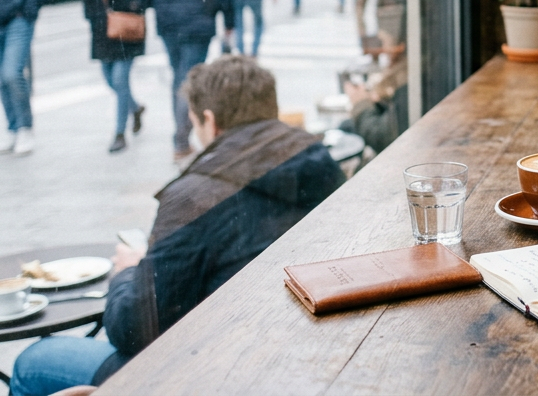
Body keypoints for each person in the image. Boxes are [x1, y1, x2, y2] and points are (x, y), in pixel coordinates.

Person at [7, 56, 344, 395]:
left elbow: (132, 329)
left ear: (209, 121)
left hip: (207, 369)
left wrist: (129, 271)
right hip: (292, 348)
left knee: (33, 361)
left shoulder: (196, 196)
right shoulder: (316, 159)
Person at [133, 0, 235, 167]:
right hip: (199, 19)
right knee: (187, 78)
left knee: (179, 73)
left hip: (168, 20)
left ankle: (181, 137)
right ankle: (180, 139)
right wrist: (229, 22)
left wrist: (144, 7)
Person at [83, 0, 147, 154]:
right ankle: (136, 108)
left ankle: (120, 133)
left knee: (120, 79)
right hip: (101, 28)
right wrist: (90, 16)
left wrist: (135, 8)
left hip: (126, 26)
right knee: (110, 80)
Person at [0, 0, 53, 158]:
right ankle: (12, 127)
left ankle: (24, 127)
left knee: (12, 73)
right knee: (1, 77)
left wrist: (26, 11)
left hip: (17, 19)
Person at [341, 44, 408, 154]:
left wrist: (360, 103)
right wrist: (381, 102)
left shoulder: (408, 80)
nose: (384, 52)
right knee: (345, 125)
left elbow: (382, 138)